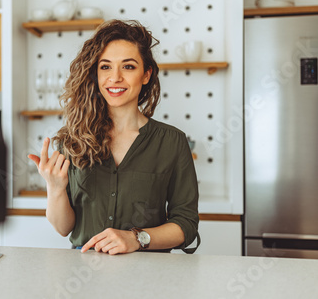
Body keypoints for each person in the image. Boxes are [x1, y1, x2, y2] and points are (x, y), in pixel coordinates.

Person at [28, 19, 199, 255]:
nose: (115, 77)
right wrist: (55, 188)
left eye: (128, 67)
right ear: (95, 74)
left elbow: (186, 225)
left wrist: (136, 238)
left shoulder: (172, 142)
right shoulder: (72, 140)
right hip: (83, 275)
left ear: (146, 74)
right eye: (105, 67)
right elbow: (63, 227)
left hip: (149, 275)